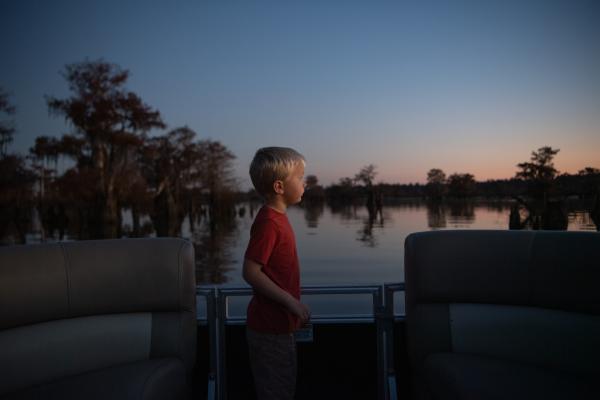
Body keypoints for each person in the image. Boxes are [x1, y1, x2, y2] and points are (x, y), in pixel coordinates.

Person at [243, 146, 311, 400]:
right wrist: (291, 301)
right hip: (270, 330)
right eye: (301, 178)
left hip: (281, 326)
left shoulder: (278, 218)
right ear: (280, 187)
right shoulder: (269, 223)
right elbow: (250, 271)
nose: (305, 184)